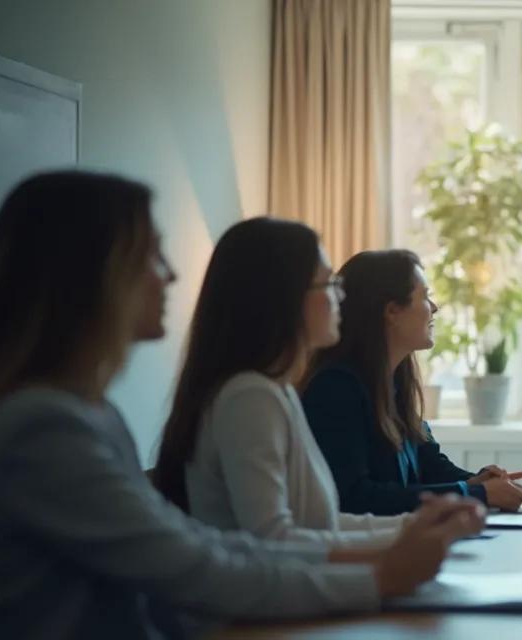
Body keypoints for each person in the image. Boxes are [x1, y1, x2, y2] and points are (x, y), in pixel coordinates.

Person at [0, 171, 484, 640]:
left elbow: (210, 546)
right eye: (151, 257)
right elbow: (200, 568)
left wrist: (401, 540)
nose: (171, 274)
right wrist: (381, 575)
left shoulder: (87, 414)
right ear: (88, 277)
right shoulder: (43, 429)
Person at [151, 218, 420, 544]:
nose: (340, 297)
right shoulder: (249, 397)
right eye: (328, 284)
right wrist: (406, 542)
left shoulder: (277, 392)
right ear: (284, 298)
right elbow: (274, 538)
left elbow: (320, 525)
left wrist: (414, 527)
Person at [302, 249, 522, 515]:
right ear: (392, 311)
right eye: (425, 296)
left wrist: (477, 482)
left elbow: (430, 467)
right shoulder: (335, 389)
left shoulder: (394, 383)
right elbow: (355, 497)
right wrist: (477, 494)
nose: (434, 307)